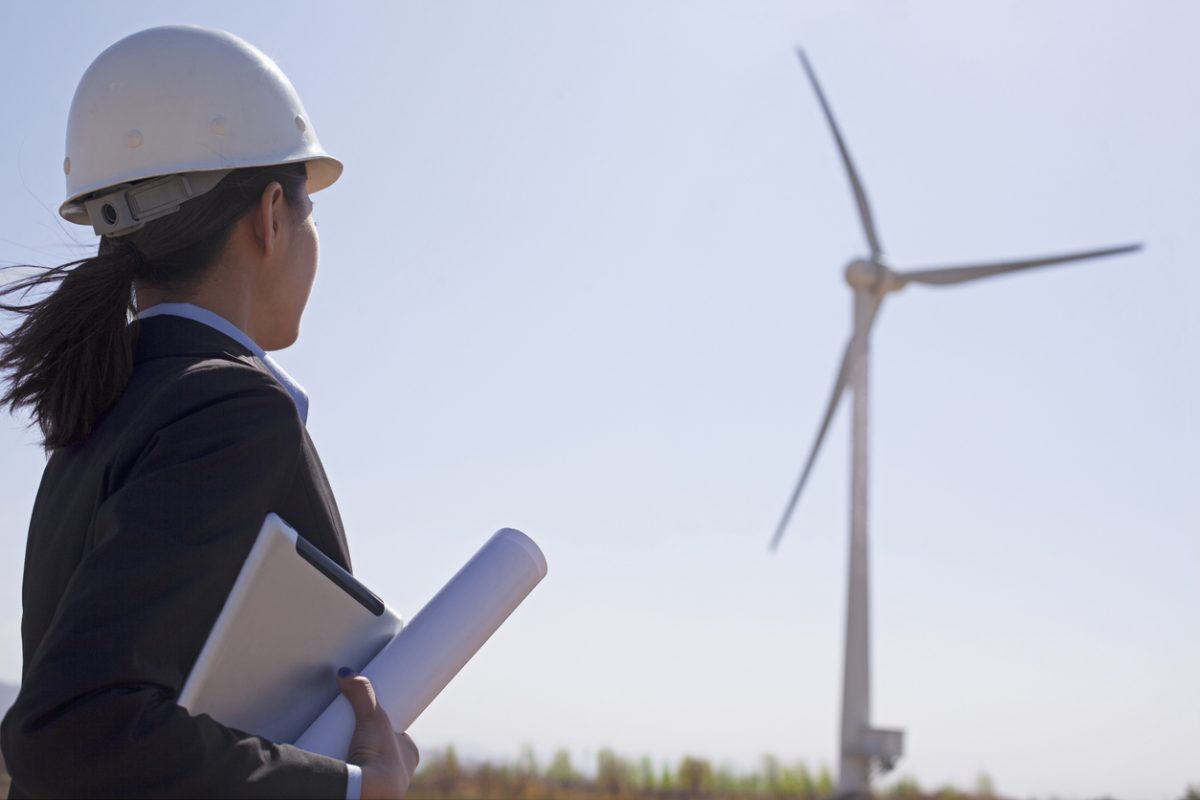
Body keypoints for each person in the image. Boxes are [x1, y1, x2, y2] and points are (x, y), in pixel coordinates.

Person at [0, 25, 418, 798]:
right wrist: (353, 788)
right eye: (311, 210)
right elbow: (74, 727)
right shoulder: (231, 407)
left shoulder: (107, 404)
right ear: (270, 215)